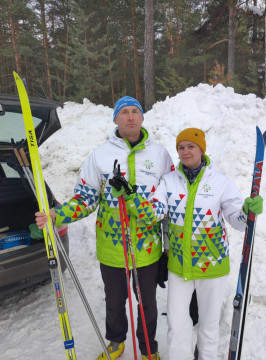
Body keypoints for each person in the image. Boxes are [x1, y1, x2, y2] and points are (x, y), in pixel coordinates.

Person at [35, 96, 173, 360]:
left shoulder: (160, 156)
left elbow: (168, 201)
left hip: (148, 247)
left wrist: (168, 245)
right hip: (112, 247)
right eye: (124, 112)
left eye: (135, 112)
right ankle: (116, 342)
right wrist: (57, 214)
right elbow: (85, 199)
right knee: (114, 301)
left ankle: (148, 349)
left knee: (148, 305)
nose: (130, 117)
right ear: (115, 119)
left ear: (142, 118)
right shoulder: (99, 156)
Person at [115, 128, 263, 360]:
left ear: (201, 149)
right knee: (177, 324)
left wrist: (246, 211)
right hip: (179, 266)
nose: (185, 151)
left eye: (191, 146)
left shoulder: (219, 182)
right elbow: (154, 212)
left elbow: (237, 220)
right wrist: (131, 196)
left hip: (211, 266)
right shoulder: (169, 181)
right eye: (181, 147)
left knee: (208, 326)